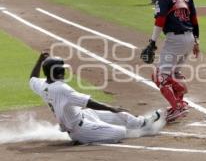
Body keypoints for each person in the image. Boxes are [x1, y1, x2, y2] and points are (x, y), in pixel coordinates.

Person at [29, 52, 165, 144]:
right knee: (119, 132)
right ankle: (141, 130)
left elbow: (32, 78)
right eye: (62, 69)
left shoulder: (43, 84)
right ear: (58, 72)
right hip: (80, 130)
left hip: (83, 115)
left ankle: (142, 123)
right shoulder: (61, 89)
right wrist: (112, 108)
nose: (64, 71)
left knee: (121, 115)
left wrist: (40, 60)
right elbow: (88, 102)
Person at [140, 0, 200, 123]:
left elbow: (160, 21)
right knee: (172, 74)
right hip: (189, 39)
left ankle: (177, 107)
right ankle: (180, 100)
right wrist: (196, 41)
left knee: (159, 77)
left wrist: (152, 42)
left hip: (175, 40)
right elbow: (194, 20)